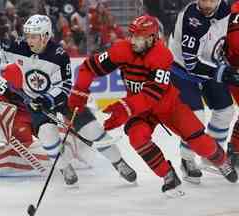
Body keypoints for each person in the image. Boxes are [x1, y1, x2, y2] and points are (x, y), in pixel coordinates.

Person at [68, 14, 238, 195]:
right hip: (140, 108)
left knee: (199, 142)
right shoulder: (121, 50)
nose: (133, 41)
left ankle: (221, 160)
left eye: (139, 37)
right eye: (131, 35)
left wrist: (125, 108)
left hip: (168, 106)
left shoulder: (163, 56)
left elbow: (152, 95)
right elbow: (89, 67)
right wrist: (79, 92)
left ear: (152, 38)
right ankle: (168, 175)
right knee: (137, 138)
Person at [0, 14, 137, 184]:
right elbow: (1, 52)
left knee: (92, 131)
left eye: (33, 36)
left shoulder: (59, 55)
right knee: (47, 135)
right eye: (28, 35)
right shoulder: (20, 46)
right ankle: (64, 167)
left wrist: (47, 100)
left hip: (63, 100)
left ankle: (119, 162)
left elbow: (64, 87)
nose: (29, 40)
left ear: (45, 36)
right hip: (36, 102)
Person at [168, 0, 235, 184]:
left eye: (211, 0)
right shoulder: (192, 19)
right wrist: (224, 72)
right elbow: (192, 65)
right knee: (195, 117)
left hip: (210, 63)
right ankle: (187, 159)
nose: (206, 4)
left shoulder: (226, 10)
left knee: (226, 110)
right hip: (181, 70)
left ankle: (212, 154)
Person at [224, 1, 239, 168]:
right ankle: (234, 149)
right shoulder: (236, 12)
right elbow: (236, 43)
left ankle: (235, 149)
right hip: (235, 70)